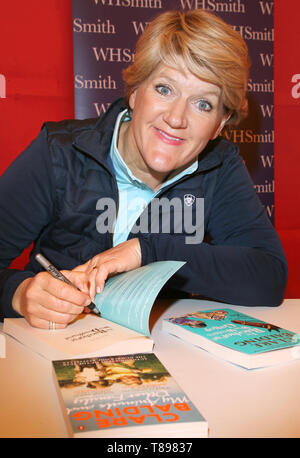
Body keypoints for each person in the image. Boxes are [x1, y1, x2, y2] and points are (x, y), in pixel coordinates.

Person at [0, 9, 288, 329]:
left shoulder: (219, 166)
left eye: (202, 103)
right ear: (135, 92)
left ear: (219, 124)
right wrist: (19, 293)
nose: (176, 118)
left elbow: (268, 277)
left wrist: (151, 251)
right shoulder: (59, 152)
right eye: (164, 89)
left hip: (170, 358)